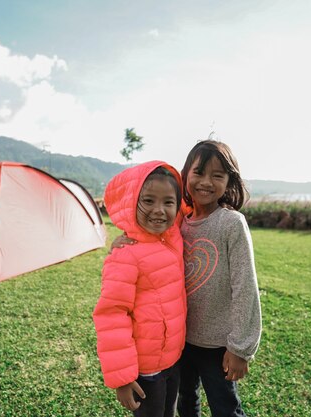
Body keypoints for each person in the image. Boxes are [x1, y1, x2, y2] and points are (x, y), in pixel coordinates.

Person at [113, 141, 262, 417]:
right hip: (180, 342)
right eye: (199, 173)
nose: (206, 182)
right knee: (186, 402)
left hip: (218, 345)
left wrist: (241, 347)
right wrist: (124, 240)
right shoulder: (178, 221)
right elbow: (148, 237)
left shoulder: (231, 223)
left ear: (229, 180)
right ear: (185, 176)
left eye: (217, 175)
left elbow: (245, 287)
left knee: (225, 407)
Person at [93, 161, 188, 417]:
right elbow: (112, 315)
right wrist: (122, 378)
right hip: (146, 370)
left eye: (168, 202)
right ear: (131, 202)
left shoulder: (173, 237)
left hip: (172, 359)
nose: (159, 210)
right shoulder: (126, 254)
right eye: (148, 200)